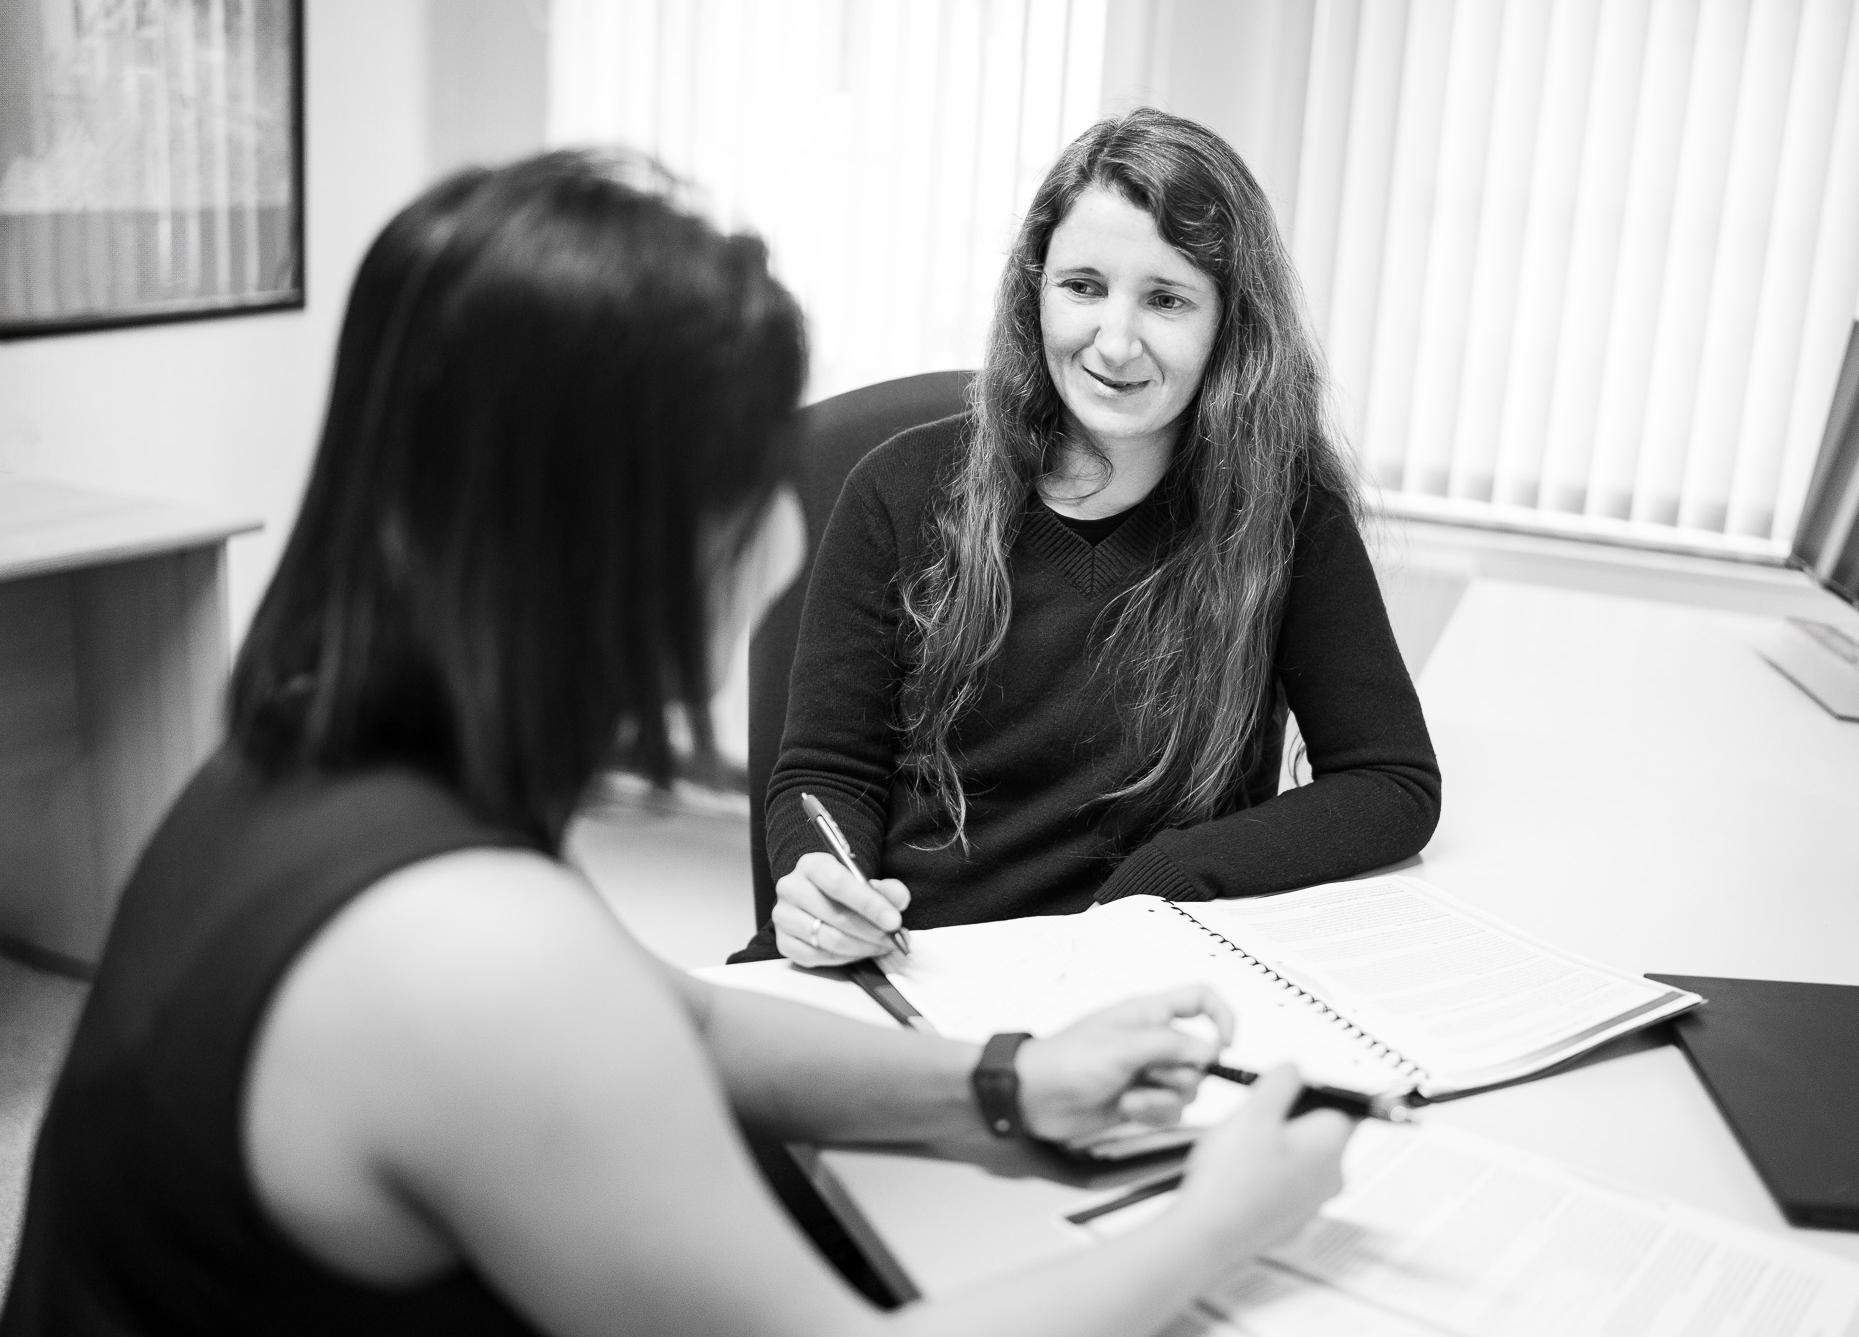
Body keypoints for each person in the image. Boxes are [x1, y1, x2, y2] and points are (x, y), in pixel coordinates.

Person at [0, 153, 1355, 1335]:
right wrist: (1219, 1223)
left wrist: (1000, 1081)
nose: (785, 530)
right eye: (755, 477)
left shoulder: (308, 764)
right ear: (621, 540)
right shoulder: (474, 961)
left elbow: (678, 1014)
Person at [750, 109, 1440, 967]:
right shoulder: (899, 489)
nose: (1115, 343)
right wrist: (827, 884)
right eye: (1082, 286)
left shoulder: (1284, 510)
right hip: (904, 961)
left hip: (1134, 970)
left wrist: (1176, 874)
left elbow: (1390, 782)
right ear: (1035, 289)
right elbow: (827, 772)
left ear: (1230, 322)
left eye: (1166, 299)